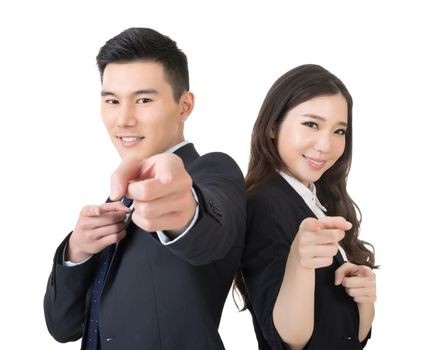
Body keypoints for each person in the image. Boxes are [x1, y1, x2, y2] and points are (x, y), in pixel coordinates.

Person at [44, 27, 246, 350]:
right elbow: (61, 326)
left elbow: (212, 231)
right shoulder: (116, 199)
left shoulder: (211, 172)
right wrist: (77, 252)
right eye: (112, 100)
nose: (123, 119)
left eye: (143, 100)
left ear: (185, 106)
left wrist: (185, 213)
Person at [234, 64, 377, 350]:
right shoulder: (264, 203)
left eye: (339, 131)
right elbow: (286, 340)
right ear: (273, 126)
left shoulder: (315, 202)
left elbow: (350, 338)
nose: (326, 145)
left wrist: (364, 300)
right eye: (311, 124)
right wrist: (298, 264)